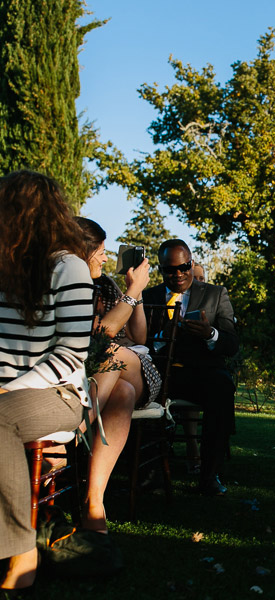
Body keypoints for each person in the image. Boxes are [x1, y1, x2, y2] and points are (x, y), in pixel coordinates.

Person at [0, 171, 94, 594]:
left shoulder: (67, 267)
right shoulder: (4, 267)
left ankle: (22, 551)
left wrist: (8, 390)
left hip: (57, 393)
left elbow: (71, 352)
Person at [75, 218, 160, 532]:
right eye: (100, 250)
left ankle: (78, 424)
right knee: (121, 393)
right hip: (101, 375)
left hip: (135, 367)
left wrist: (132, 292)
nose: (106, 257)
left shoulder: (107, 286)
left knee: (111, 354)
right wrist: (135, 288)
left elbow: (137, 337)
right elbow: (100, 335)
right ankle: (94, 500)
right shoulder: (68, 285)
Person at [143, 240, 239, 496]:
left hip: (203, 372)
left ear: (191, 263)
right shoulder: (147, 297)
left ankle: (209, 476)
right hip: (161, 374)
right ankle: (149, 473)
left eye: (184, 267)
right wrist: (164, 335)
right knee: (133, 389)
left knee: (222, 387)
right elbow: (139, 343)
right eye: (170, 270)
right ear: (161, 269)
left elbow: (231, 343)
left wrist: (210, 334)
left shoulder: (215, 294)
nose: (178, 274)